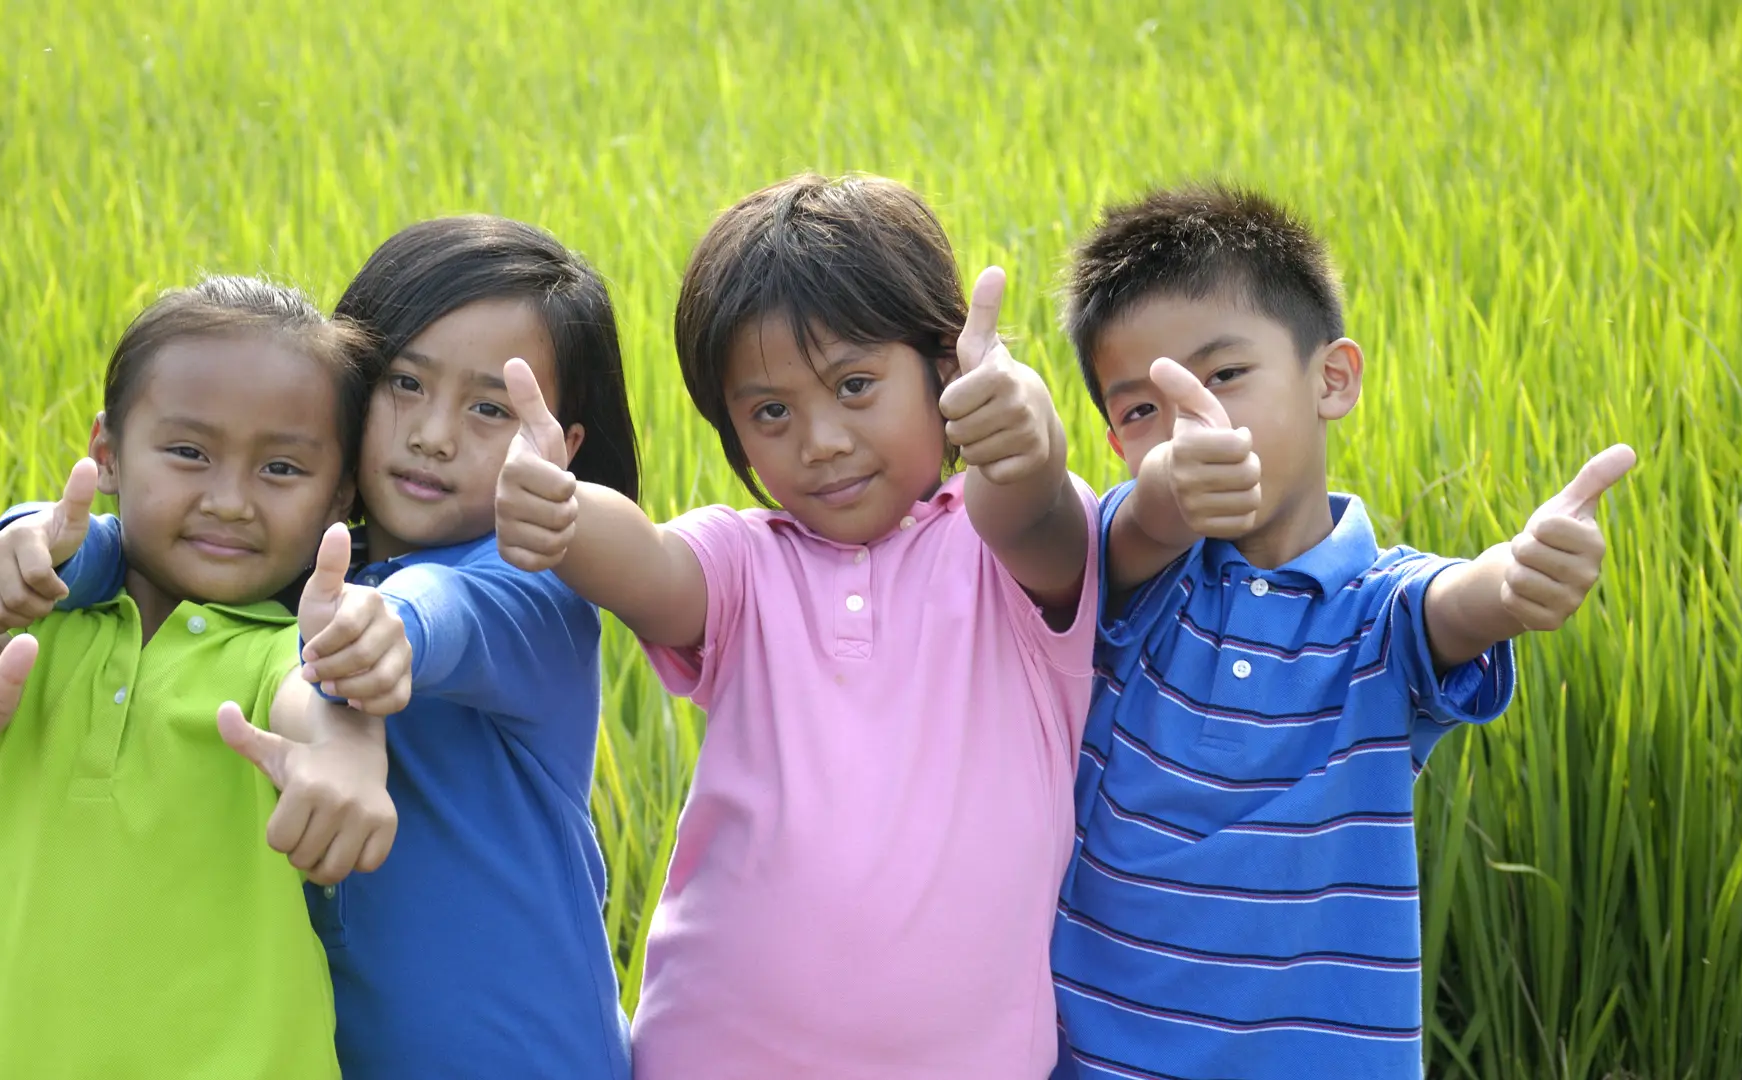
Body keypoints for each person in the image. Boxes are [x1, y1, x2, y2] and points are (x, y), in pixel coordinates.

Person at [0, 217, 641, 1079]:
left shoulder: (538, 593)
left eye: (491, 409)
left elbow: (446, 610)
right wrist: (40, 543)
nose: (434, 434)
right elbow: (135, 554)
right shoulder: (283, 578)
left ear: (561, 450)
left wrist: (389, 628)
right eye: (403, 384)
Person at [494, 173, 1100, 1079]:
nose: (819, 440)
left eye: (855, 385)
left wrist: (1023, 428)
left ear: (945, 369)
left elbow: (1032, 501)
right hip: (714, 1050)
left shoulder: (1000, 555)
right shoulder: (745, 563)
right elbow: (651, 567)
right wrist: (566, 512)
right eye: (770, 412)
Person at [1049, 183, 1634, 1079]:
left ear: (1333, 378)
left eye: (1225, 377)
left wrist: (1516, 579)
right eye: (1142, 411)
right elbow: (1135, 527)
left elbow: (1455, 606)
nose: (1189, 427)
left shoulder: (1377, 610)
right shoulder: (1131, 577)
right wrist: (1167, 489)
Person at [0, 275, 408, 1079]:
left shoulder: (282, 649)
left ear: (339, 496)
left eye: (281, 469)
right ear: (106, 453)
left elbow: (318, 707)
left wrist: (346, 764)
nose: (229, 500)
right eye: (188, 452)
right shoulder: (34, 636)